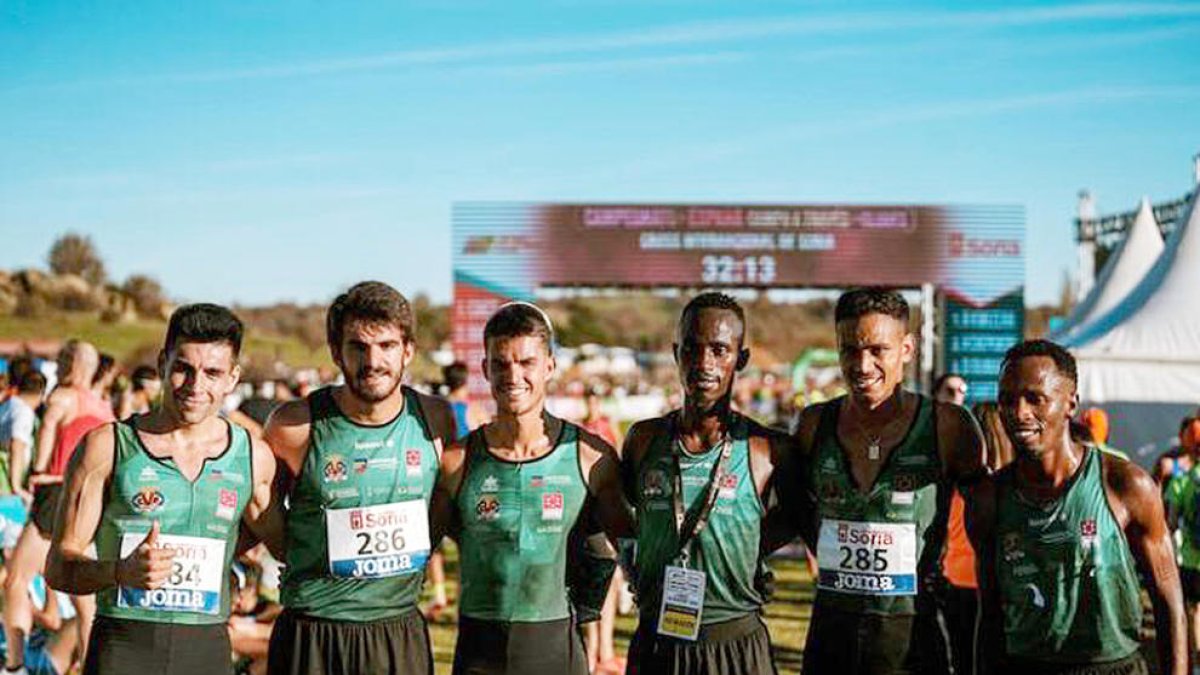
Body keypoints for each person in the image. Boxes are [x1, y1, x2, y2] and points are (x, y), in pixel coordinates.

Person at [44, 303, 283, 675]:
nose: (196, 386)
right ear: (162, 364)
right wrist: (119, 572)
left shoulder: (253, 457)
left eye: (213, 373)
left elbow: (290, 545)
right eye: (183, 369)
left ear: (233, 378)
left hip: (205, 649)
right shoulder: (106, 447)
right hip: (124, 646)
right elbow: (59, 568)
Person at [791, 287, 986, 674]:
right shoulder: (814, 424)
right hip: (832, 629)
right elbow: (792, 506)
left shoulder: (949, 426)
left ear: (907, 350)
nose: (862, 366)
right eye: (849, 350)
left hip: (913, 631)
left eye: (878, 350)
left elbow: (993, 520)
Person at [265, 281, 456, 675]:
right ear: (337, 352)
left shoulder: (436, 419)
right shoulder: (293, 426)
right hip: (314, 631)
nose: (374, 361)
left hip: (396, 631)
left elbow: (444, 505)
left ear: (408, 350)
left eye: (386, 345)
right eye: (358, 347)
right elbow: (258, 516)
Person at [431, 301, 631, 675]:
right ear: (485, 369)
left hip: (556, 652)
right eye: (501, 363)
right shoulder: (456, 461)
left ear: (549, 366)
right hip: (479, 651)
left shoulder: (591, 458)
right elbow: (419, 552)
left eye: (526, 363)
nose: (513, 375)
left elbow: (631, 552)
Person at [966, 339, 1186, 675]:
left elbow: (1169, 600)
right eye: (1007, 400)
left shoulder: (1125, 485)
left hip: (1113, 666)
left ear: (1071, 404)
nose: (1019, 412)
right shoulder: (988, 499)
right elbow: (990, 613)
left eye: (1035, 399)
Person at [623, 292, 803, 675]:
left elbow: (799, 516)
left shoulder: (767, 448)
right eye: (692, 348)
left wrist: (747, 546)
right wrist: (635, 563)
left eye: (719, 350)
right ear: (676, 353)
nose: (703, 363)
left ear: (741, 358)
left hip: (735, 643)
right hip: (658, 639)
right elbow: (623, 511)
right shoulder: (642, 440)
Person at [4, 339, 106, 675]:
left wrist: (37, 472)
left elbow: (46, 439)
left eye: (62, 360)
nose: (58, 367)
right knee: (85, 598)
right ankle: (92, 665)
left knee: (17, 579)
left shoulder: (62, 397)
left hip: (56, 488)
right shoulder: (105, 407)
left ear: (71, 365)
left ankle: (15, 664)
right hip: (93, 498)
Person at [423, 361, 488, 620]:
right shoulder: (474, 410)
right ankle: (465, 601)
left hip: (437, 482)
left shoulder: (435, 410)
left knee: (432, 543)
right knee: (466, 548)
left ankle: (439, 593)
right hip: (465, 483)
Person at [579, 386, 626, 675]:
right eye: (589, 398)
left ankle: (605, 651)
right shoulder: (581, 428)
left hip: (605, 511)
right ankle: (592, 653)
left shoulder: (608, 426)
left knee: (612, 582)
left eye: (595, 398)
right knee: (595, 585)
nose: (592, 402)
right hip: (588, 517)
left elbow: (619, 460)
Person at [1169, 418, 1200, 664]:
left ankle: (1198, 663)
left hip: (1191, 558)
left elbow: (1170, 521)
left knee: (1195, 611)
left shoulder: (1183, 480)